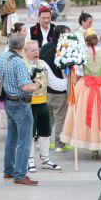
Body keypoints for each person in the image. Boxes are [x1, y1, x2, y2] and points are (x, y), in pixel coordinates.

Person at [0, 34, 43, 186]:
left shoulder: (2, 57)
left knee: (12, 137)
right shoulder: (18, 62)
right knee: (24, 141)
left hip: (7, 101)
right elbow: (25, 86)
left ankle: (9, 171)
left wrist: (0, 83)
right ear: (22, 46)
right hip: (20, 103)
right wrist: (37, 85)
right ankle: (20, 174)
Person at [60, 29, 101, 156]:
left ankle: (93, 147)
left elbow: (78, 72)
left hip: (85, 87)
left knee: (83, 114)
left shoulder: (81, 53)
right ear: (97, 40)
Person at [23, 40, 63, 173]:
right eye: (33, 50)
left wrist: (69, 83)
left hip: (43, 103)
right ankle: (30, 160)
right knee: (30, 133)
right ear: (26, 52)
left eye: (37, 50)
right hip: (28, 105)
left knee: (45, 132)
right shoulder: (22, 65)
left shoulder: (43, 64)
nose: (36, 52)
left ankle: (45, 159)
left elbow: (54, 83)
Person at [40, 25, 72, 152]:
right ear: (61, 35)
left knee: (49, 117)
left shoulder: (45, 47)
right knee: (60, 117)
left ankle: (46, 142)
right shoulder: (64, 49)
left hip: (45, 88)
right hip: (60, 88)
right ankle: (60, 144)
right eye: (67, 34)